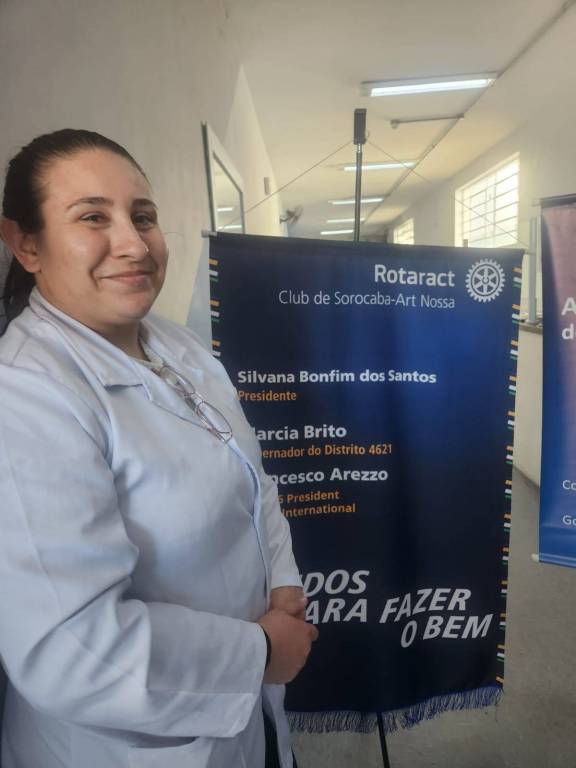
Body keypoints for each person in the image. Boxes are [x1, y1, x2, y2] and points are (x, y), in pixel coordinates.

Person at [0, 129, 318, 768]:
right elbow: (72, 649)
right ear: (26, 244)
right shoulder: (25, 396)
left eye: (142, 216)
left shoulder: (178, 345)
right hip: (128, 746)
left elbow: (253, 478)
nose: (134, 243)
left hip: (244, 704)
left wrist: (282, 584)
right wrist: (259, 653)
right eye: (93, 217)